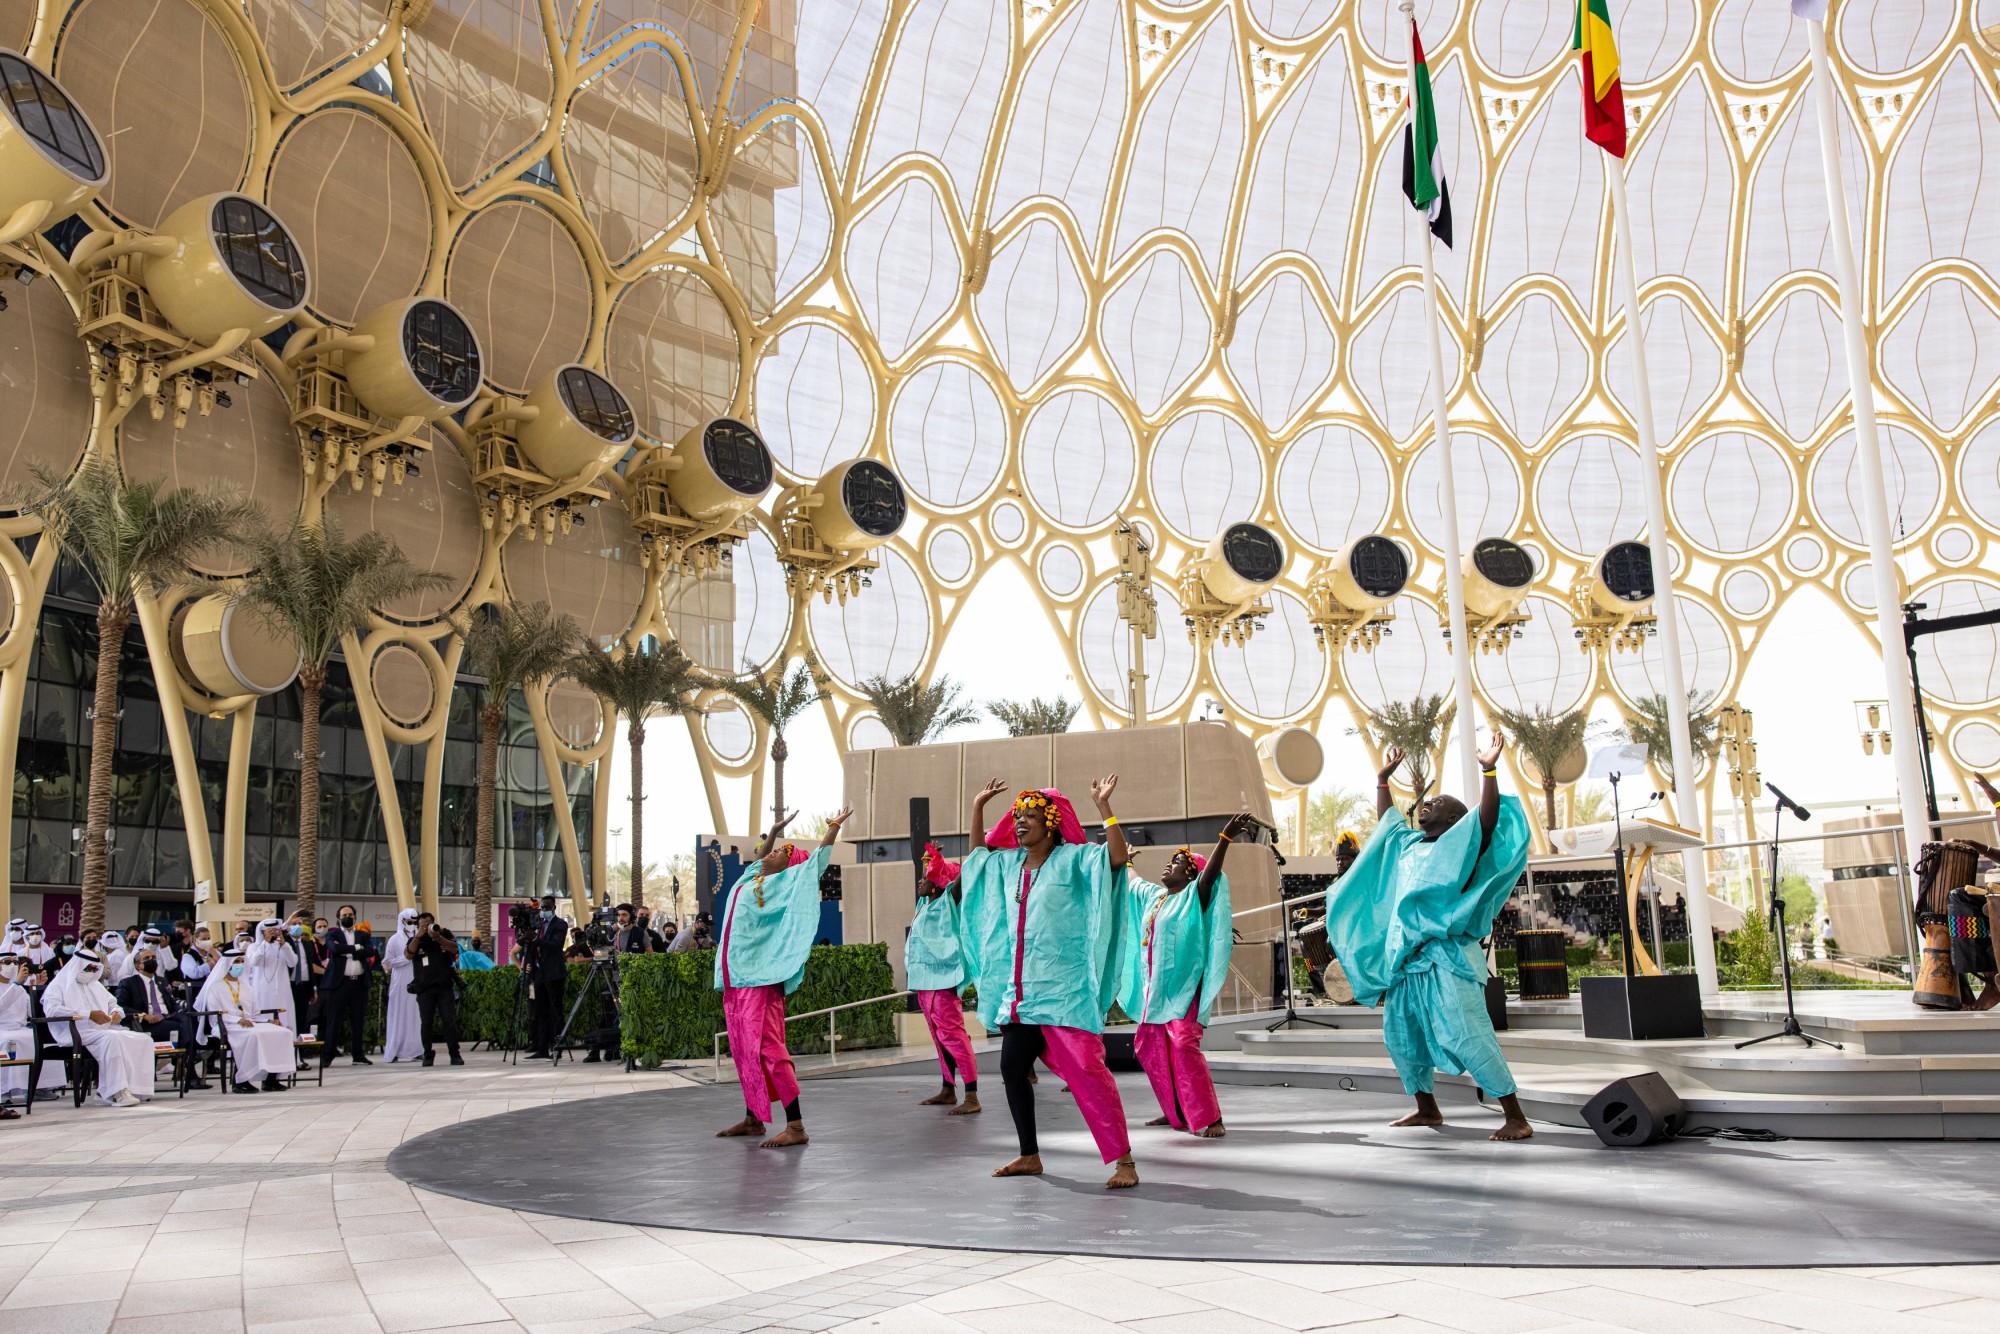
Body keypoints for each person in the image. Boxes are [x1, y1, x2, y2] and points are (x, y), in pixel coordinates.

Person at [1323, 734, 1534, 1142]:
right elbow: (1388, 826)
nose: (1428, 804)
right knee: (1402, 1037)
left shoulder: (1461, 843)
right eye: (1427, 802)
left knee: (1468, 1034)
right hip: (1406, 965)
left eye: (1439, 803)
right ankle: (1426, 1109)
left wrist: (1488, 770)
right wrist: (1382, 781)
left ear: (1456, 821)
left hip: (1445, 958)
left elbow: (1486, 820)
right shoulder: (1407, 845)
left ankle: (1515, 1115)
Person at [957, 775, 1138, 1190]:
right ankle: (1029, 1155)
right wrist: (977, 808)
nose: (1020, 822)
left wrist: (1103, 808)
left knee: (1087, 1074)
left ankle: (1124, 1159)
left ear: (1051, 824)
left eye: (1031, 816)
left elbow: (1115, 858)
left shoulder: (1073, 859)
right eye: (1017, 816)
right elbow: (977, 861)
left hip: (1065, 992)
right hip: (1022, 995)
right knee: (1011, 1068)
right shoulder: (1008, 865)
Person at [713, 806, 850, 1148]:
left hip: (761, 981)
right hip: (737, 981)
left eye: (779, 852)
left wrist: (832, 827)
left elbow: (815, 862)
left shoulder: (785, 885)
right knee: (745, 1049)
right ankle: (752, 1118)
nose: (771, 852)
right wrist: (773, 832)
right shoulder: (751, 879)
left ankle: (796, 1125)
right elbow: (761, 857)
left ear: (789, 868)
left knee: (771, 1050)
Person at [1118, 814, 1251, 1140]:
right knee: (1149, 1048)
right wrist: (1126, 862)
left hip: (1183, 993)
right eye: (1170, 861)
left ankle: (1212, 1117)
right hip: (1155, 994)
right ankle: (1175, 1109)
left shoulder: (1194, 896)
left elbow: (1210, 876)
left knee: (1183, 1048)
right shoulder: (1154, 897)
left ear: (1190, 874)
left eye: (1177, 862)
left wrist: (1225, 839)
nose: (1168, 865)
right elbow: (1133, 882)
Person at [907, 843, 979, 1115]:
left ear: (937, 884)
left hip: (944, 980)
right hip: (925, 981)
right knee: (940, 1037)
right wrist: (933, 859)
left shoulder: (950, 901)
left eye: (926, 878)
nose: (920, 881)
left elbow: (963, 876)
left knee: (954, 1036)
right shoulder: (925, 904)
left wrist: (979, 849)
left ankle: (972, 1096)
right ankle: (948, 1089)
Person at [42, 948, 157, 1106]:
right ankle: (116, 1092)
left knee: (143, 1039)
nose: (91, 972)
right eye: (88, 968)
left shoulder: (95, 985)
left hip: (100, 1030)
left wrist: (116, 1012)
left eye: (95, 969)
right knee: (112, 1038)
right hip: (74, 1032)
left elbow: (114, 1004)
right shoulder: (59, 984)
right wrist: (87, 1014)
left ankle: (130, 1089)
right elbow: (52, 1010)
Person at [199, 947, 295, 1093]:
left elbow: (255, 1014)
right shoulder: (215, 987)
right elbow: (215, 1013)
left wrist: (268, 1021)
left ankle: (271, 1079)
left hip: (250, 1023)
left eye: (242, 961)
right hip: (226, 1025)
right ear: (227, 964)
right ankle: (241, 1081)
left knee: (283, 1032)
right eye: (236, 961)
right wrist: (237, 1020)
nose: (239, 964)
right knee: (253, 1036)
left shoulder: (247, 987)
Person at [115, 943, 210, 1089]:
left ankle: (190, 1064)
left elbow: (172, 1003)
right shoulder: (128, 983)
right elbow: (120, 1006)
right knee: (186, 1029)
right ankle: (192, 1064)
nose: (152, 960)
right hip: (147, 1024)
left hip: (168, 1019)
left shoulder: (161, 981)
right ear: (138, 965)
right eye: (147, 958)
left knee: (189, 1017)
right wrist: (144, 1015)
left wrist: (180, 1009)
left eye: (153, 957)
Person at [319, 905, 379, 1065]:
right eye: (345, 914)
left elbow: (370, 951)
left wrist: (348, 951)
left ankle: (358, 1055)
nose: (348, 917)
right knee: (334, 1020)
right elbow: (334, 948)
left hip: (359, 983)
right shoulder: (333, 934)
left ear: (355, 917)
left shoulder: (362, 934)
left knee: (358, 1020)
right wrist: (356, 949)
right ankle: (327, 1056)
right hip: (339, 984)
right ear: (339, 917)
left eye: (350, 914)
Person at [404, 913, 462, 1066]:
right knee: (426, 1022)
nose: (427, 927)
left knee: (449, 1021)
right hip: (424, 988)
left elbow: (455, 949)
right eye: (423, 925)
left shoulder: (444, 934)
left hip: (444, 986)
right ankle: (428, 1054)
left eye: (429, 924)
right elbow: (408, 955)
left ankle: (454, 1054)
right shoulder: (415, 939)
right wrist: (418, 936)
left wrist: (437, 937)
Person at [523, 895, 569, 1059]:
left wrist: (536, 939)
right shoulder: (538, 924)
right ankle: (541, 1047)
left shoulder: (561, 924)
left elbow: (555, 946)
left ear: (554, 908)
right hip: (539, 973)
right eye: (542, 908)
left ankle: (557, 1046)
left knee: (555, 1010)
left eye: (547, 908)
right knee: (540, 1010)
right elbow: (529, 946)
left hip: (554, 973)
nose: (544, 911)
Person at [381, 909, 423, 1062]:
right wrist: (406, 959)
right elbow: (388, 961)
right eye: (410, 922)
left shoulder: (421, 937)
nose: (412, 925)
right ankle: (394, 1051)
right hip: (400, 981)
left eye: (414, 922)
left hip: (417, 979)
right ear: (403, 921)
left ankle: (416, 1050)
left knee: (416, 1015)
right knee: (398, 1014)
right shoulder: (394, 939)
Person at [247, 918, 298, 1034]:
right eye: (270, 931)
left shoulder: (283, 946)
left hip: (282, 991)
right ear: (262, 932)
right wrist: (265, 943)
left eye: (275, 930)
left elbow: (293, 962)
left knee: (285, 1020)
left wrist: (284, 945)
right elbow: (254, 962)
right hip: (262, 992)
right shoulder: (254, 947)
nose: (273, 933)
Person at [285, 915, 320, 1036]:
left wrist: (313, 988)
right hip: (289, 985)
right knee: (289, 1016)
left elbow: (310, 966)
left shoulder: (308, 944)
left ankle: (300, 1049)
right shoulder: (285, 942)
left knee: (302, 1016)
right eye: (294, 924)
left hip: (304, 986)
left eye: (299, 924)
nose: (297, 926)